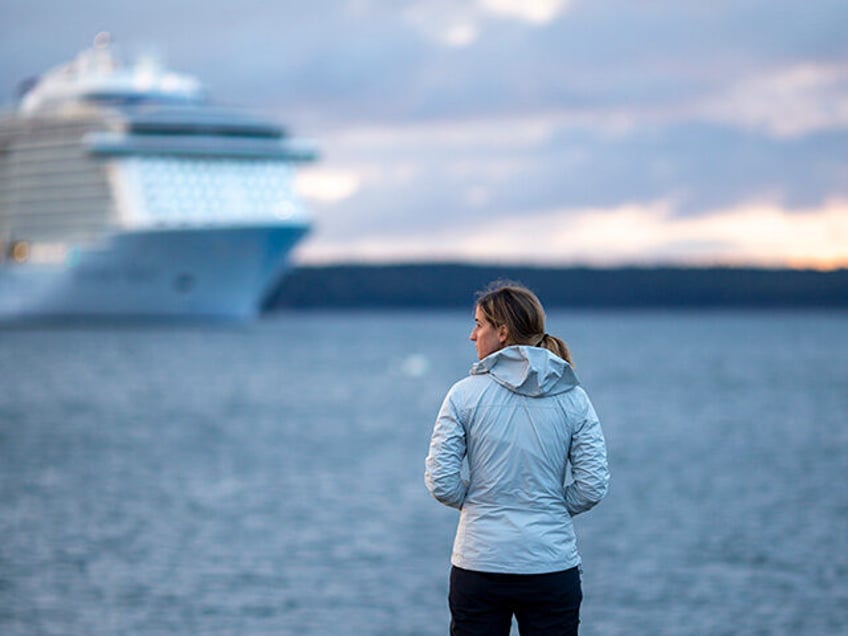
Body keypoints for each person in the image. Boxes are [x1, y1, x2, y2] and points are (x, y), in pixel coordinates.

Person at [425, 281, 609, 636]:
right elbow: (591, 486)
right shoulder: (574, 397)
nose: (472, 335)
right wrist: (549, 508)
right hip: (551, 565)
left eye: (479, 324)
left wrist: (481, 505)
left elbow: (442, 482)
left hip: (480, 563)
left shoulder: (463, 395)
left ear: (503, 332)